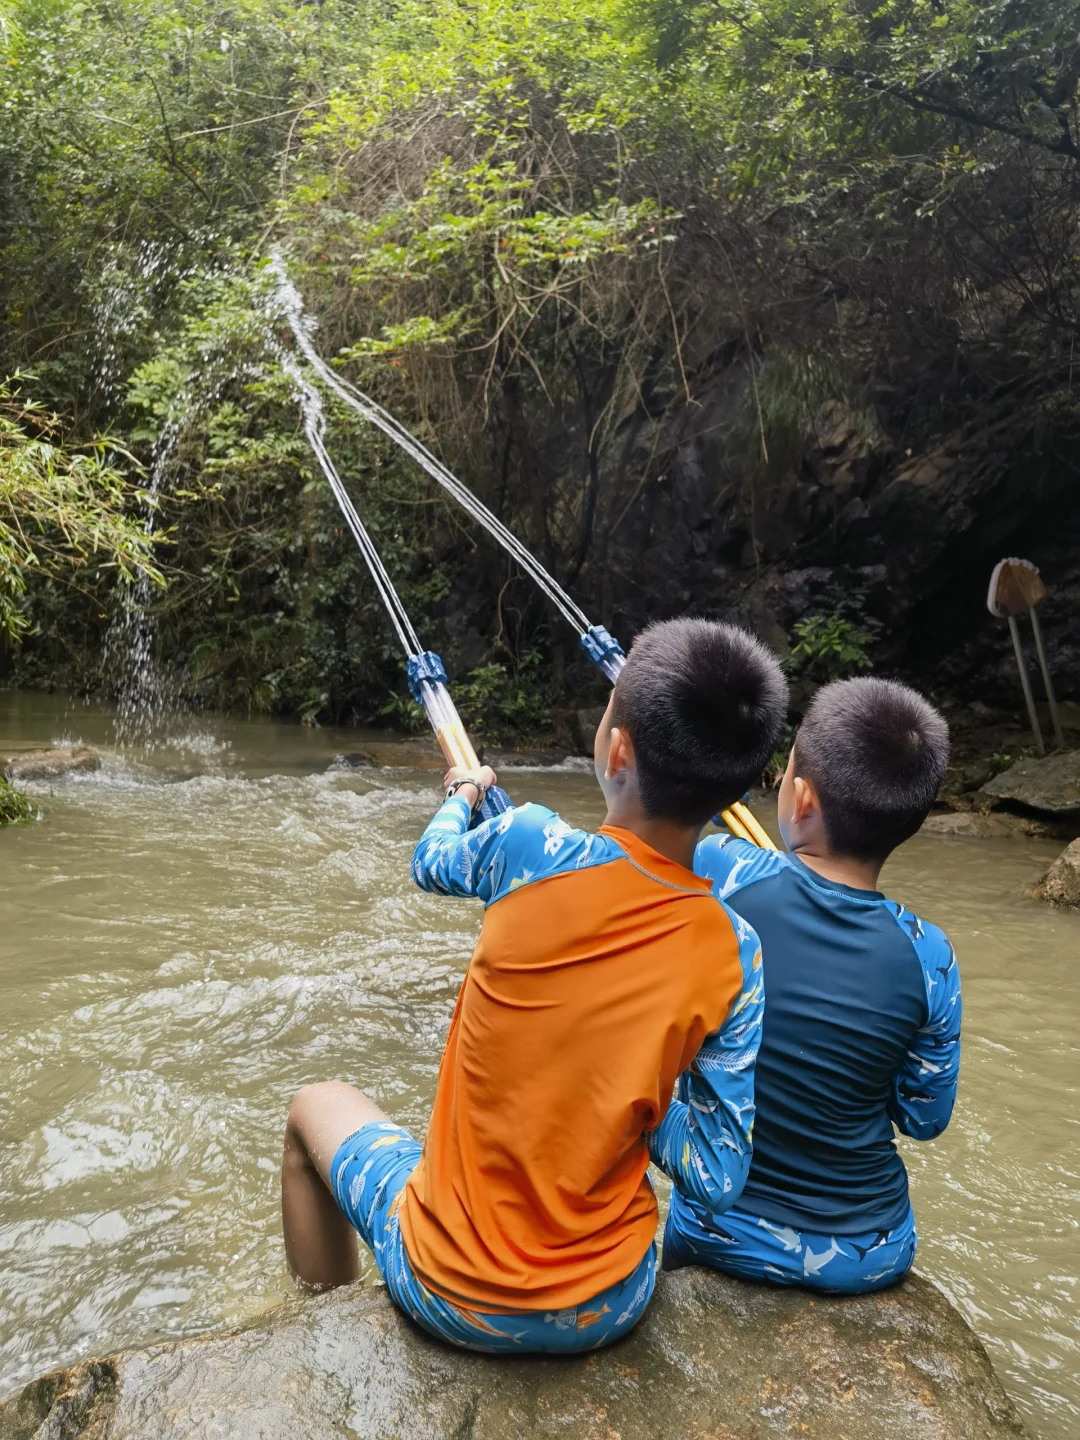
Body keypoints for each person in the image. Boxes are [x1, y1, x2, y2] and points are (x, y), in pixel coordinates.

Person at [280, 618, 787, 1352]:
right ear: (738, 792)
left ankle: (315, 1341)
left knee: (312, 1107)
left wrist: (464, 792)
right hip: (611, 1303)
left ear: (616, 750)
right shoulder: (737, 951)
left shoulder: (530, 844)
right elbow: (715, 1175)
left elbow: (433, 860)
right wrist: (633, 1095)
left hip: (447, 1290)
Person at [665, 676, 960, 1294]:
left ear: (800, 799)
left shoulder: (725, 868)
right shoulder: (930, 954)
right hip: (870, 1250)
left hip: (720, 1230)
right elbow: (923, 1117)